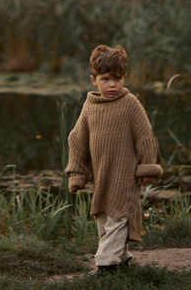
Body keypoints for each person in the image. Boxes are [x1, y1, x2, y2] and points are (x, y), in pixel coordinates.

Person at [65, 43, 162, 277]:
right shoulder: (90, 106)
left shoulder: (130, 104)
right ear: (94, 80)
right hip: (102, 174)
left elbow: (145, 137)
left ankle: (106, 266)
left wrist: (147, 167)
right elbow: (77, 139)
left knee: (119, 215)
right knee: (105, 216)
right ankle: (122, 257)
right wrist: (77, 173)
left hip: (125, 174)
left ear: (124, 78)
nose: (112, 84)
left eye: (117, 79)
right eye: (106, 78)